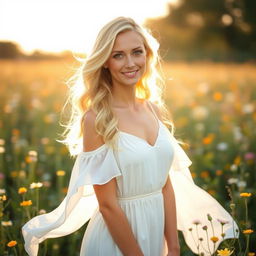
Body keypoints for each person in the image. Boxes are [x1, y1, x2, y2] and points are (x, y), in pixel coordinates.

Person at [22, 17, 239, 256]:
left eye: (137, 52)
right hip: (117, 240)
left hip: (157, 233)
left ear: (147, 55)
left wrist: (174, 247)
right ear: (105, 61)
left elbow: (165, 185)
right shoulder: (98, 120)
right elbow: (107, 205)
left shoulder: (154, 111)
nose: (130, 63)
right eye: (118, 55)